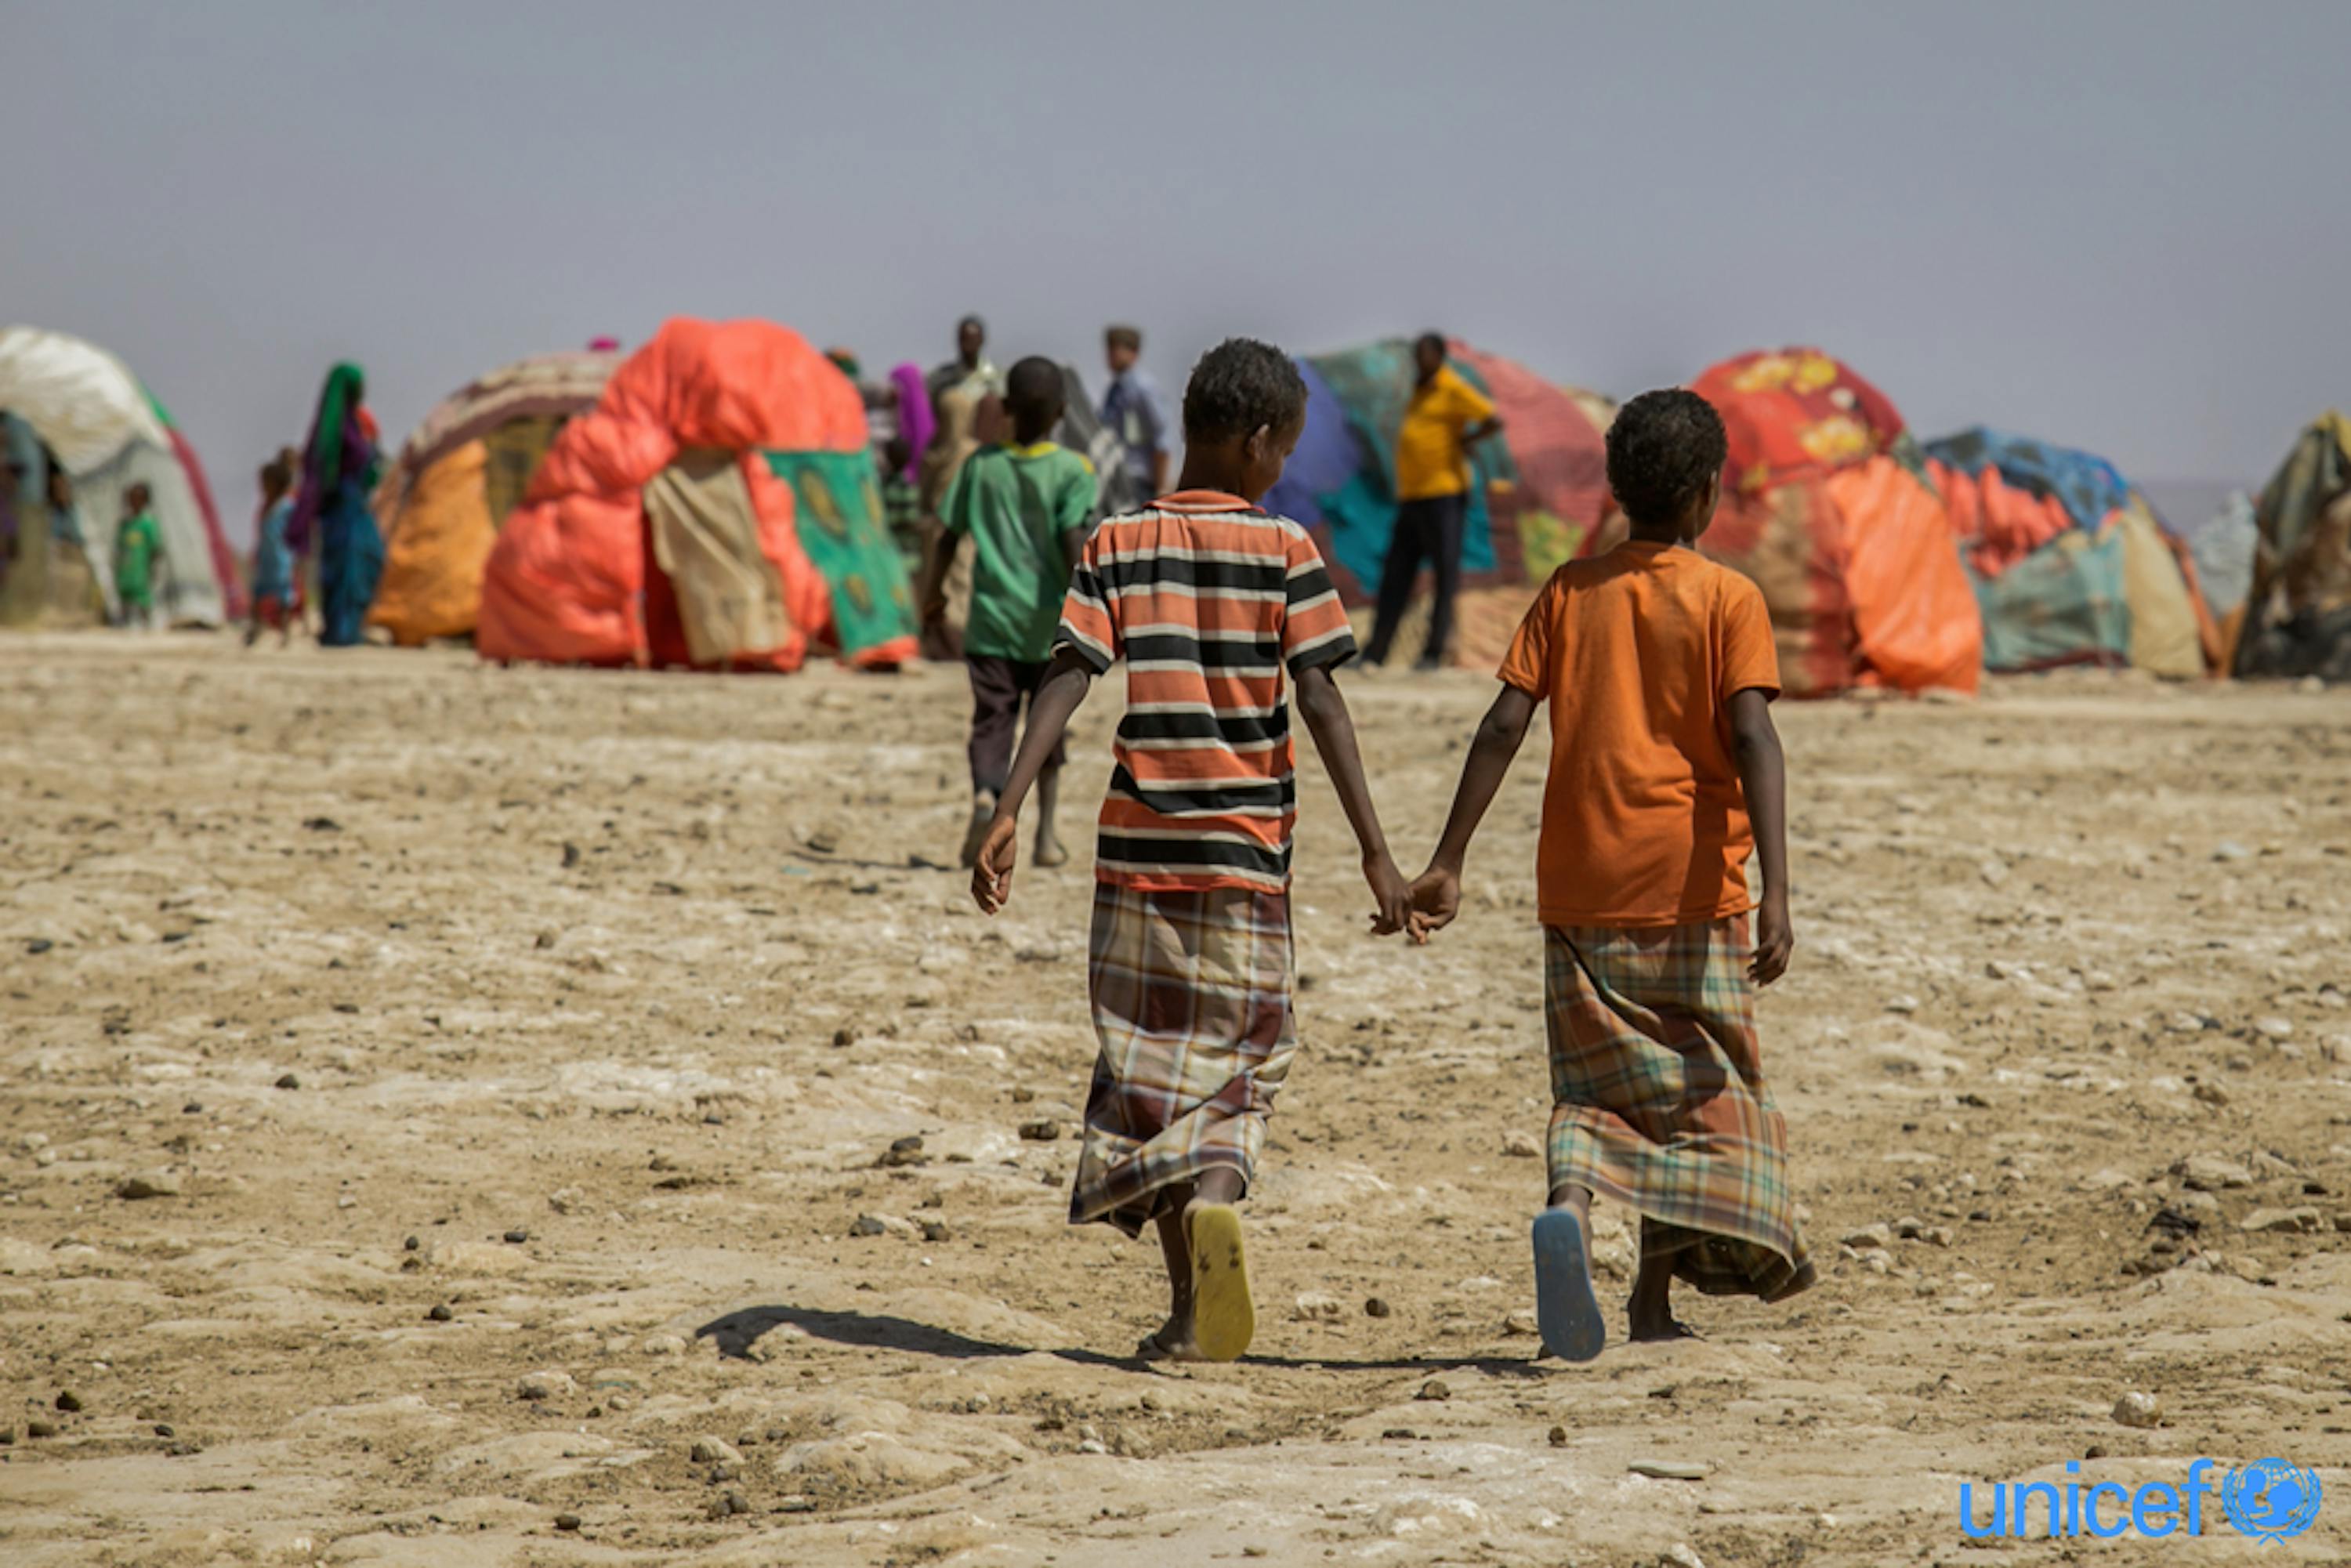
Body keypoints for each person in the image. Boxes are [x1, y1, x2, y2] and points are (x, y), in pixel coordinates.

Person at [969, 338, 1415, 1363]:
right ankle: (1223, 1190)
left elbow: (1068, 673)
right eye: (1286, 451)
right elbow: (1322, 701)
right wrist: (1377, 856)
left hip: (1137, 852)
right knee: (1244, 1058)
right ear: (1260, 442)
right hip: (1244, 854)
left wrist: (1007, 803)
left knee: (1148, 1068)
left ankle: (1185, 1310)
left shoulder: (1119, 541)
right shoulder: (1287, 550)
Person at [1408, 388, 1814, 1363]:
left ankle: (1571, 1210)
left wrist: (1449, 859)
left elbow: (1505, 723)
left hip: (1582, 891)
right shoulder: (1729, 599)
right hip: (1695, 894)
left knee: (1594, 1088)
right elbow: (1755, 735)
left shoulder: (1568, 590)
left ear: (1619, 490)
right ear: (1710, 492)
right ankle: (1648, 1301)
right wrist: (1783, 892)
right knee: (1696, 1090)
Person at [917, 357, 1098, 869]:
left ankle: (984, 795)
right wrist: (1094, 605)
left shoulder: (980, 465)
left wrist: (933, 597)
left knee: (992, 721)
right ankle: (1044, 834)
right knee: (1048, 727)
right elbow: (1071, 540)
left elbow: (948, 534)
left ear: (1006, 409)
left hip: (990, 622)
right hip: (1049, 628)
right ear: (1062, 412)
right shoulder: (1072, 470)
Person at [1364, 332, 1503, 671]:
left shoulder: (1451, 387)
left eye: (1425, 354)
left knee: (1444, 576)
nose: (1419, 360)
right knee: (1396, 574)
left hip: (1444, 495)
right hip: (1412, 496)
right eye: (1416, 354)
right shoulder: (1417, 389)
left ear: (1439, 357)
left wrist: (1465, 440)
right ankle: (1375, 652)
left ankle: (1433, 653)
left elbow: (1492, 418)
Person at [286, 364, 385, 647]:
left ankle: (348, 627)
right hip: (341, 507)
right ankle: (339, 631)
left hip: (354, 506)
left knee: (365, 561)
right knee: (343, 568)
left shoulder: (355, 422)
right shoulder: (334, 428)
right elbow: (322, 468)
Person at [1099, 325, 1172, 498]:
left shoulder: (1142, 388)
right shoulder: (1115, 389)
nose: (1110, 356)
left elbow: (1161, 438)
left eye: (1116, 349)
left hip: (1138, 480)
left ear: (1133, 352)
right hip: (1116, 477)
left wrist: (1161, 488)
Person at [247, 457, 299, 647]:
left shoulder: (287, 506)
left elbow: (295, 529)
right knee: (258, 594)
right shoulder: (266, 507)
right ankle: (254, 629)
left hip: (281, 557)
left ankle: (285, 634)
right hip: (265, 558)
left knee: (283, 596)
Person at [114, 483, 163, 631]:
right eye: (132, 498)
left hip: (141, 568)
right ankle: (124, 624)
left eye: (138, 498)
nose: (134, 502)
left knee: (142, 596)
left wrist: (153, 566)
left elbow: (155, 547)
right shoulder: (125, 524)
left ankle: (146, 624)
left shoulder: (148, 523)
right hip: (126, 568)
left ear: (145, 501)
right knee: (125, 594)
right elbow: (119, 546)